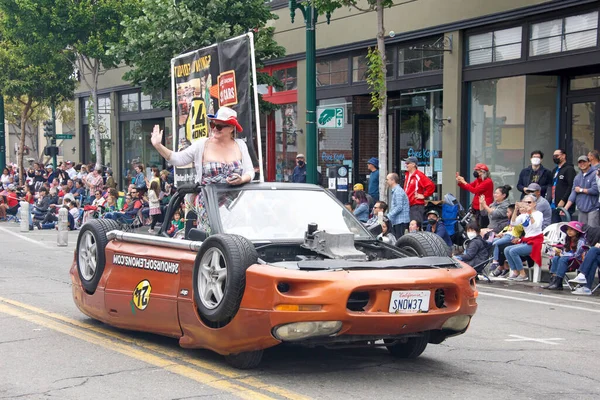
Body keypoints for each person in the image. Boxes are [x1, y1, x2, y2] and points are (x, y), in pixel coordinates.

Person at [151, 106, 254, 232]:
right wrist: (158, 146)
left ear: (231, 128)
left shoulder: (240, 145)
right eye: (212, 124)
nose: (215, 129)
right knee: (212, 241)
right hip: (209, 203)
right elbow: (177, 159)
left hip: (235, 203)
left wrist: (242, 179)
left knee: (237, 240)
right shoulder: (202, 145)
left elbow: (250, 172)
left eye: (220, 126)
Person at [503, 195, 544, 281]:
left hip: (535, 242)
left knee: (513, 251)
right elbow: (513, 223)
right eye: (525, 202)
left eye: (529, 202)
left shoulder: (539, 214)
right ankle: (515, 271)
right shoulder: (523, 215)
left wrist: (530, 214)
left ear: (534, 204)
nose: (527, 204)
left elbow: (535, 226)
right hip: (527, 240)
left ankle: (522, 273)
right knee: (507, 249)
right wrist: (515, 210)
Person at [542, 221, 587, 291]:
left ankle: (558, 282)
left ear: (577, 231)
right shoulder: (568, 239)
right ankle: (554, 281)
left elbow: (577, 254)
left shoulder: (581, 241)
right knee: (556, 257)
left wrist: (564, 254)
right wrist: (559, 252)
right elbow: (565, 251)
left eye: (571, 230)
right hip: (568, 259)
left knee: (563, 258)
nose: (569, 231)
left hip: (577, 261)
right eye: (568, 229)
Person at [563, 155, 599, 227]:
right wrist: (565, 208)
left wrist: (581, 190)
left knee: (592, 232)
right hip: (581, 210)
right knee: (581, 232)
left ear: (589, 162)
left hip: (593, 209)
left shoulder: (595, 174)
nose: (582, 164)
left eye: (584, 162)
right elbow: (573, 193)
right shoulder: (577, 177)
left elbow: (595, 190)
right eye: (580, 162)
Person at [456, 163, 494, 228]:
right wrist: (460, 182)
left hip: (484, 207)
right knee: (476, 224)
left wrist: (464, 181)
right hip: (476, 206)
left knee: (482, 225)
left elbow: (474, 190)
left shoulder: (488, 181)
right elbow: (469, 186)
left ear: (482, 172)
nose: (475, 172)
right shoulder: (478, 180)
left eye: (477, 170)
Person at [403, 156, 435, 223]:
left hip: (416, 206)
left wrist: (424, 195)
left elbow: (431, 185)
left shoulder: (419, 175)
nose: (406, 165)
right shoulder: (407, 175)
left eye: (408, 163)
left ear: (413, 164)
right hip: (408, 205)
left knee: (416, 227)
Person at [549, 148, 576, 221]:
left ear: (563, 156)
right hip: (554, 204)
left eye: (557, 155)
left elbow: (571, 187)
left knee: (564, 227)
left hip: (565, 206)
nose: (555, 158)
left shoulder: (569, 169)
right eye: (554, 156)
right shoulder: (554, 170)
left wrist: (563, 200)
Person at [490, 204, 517, 276]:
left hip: (509, 236)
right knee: (490, 241)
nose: (506, 214)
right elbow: (504, 230)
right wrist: (499, 234)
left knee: (496, 243)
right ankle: (499, 264)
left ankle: (496, 262)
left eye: (508, 212)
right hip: (500, 233)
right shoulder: (507, 222)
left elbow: (511, 231)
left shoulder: (513, 221)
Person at [386, 173, 410, 238]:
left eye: (387, 179)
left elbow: (399, 207)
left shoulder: (398, 191)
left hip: (401, 221)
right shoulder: (396, 191)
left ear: (393, 180)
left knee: (400, 240)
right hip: (398, 221)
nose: (386, 181)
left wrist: (388, 216)